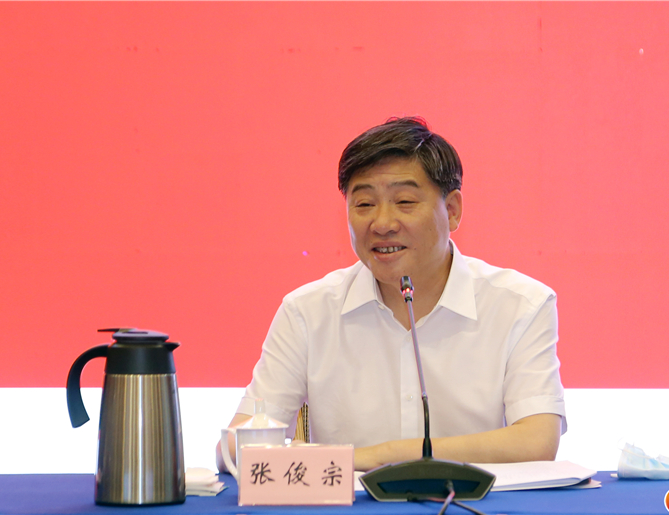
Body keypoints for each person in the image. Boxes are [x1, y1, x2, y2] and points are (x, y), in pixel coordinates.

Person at [217, 117, 566, 472]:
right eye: (364, 204)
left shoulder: (520, 305)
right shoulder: (307, 312)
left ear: (453, 210)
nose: (382, 224)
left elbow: (536, 441)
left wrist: (382, 456)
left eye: (404, 201)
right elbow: (234, 446)